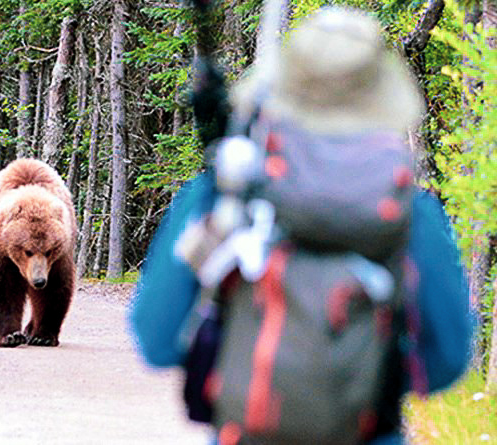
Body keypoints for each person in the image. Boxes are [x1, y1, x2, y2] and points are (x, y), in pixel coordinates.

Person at [129, 7, 471, 444]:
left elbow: (157, 341)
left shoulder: (227, 193)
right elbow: (446, 364)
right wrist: (356, 374)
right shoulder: (410, 213)